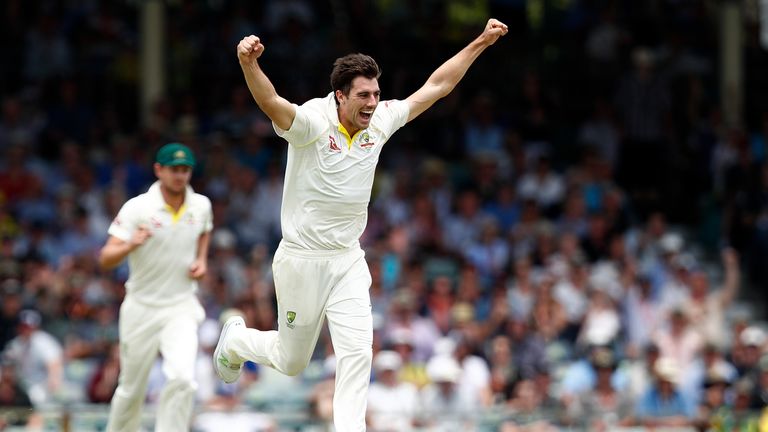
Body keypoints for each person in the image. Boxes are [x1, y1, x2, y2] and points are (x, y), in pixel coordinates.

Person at [212, 18, 509, 431]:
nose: (372, 102)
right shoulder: (314, 122)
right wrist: (248, 64)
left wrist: (481, 41)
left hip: (348, 259)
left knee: (358, 351)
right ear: (340, 96)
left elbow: (437, 86)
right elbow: (272, 103)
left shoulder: (381, 121)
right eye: (364, 95)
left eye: (376, 94)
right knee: (292, 360)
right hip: (302, 259)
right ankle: (237, 339)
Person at [98, 143, 213, 432]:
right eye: (174, 170)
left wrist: (201, 260)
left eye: (185, 170)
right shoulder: (138, 208)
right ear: (158, 170)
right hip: (141, 307)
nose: (180, 176)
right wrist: (130, 244)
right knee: (132, 388)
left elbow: (205, 231)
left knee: (183, 379)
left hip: (181, 306)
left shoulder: (201, 205)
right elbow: (105, 259)